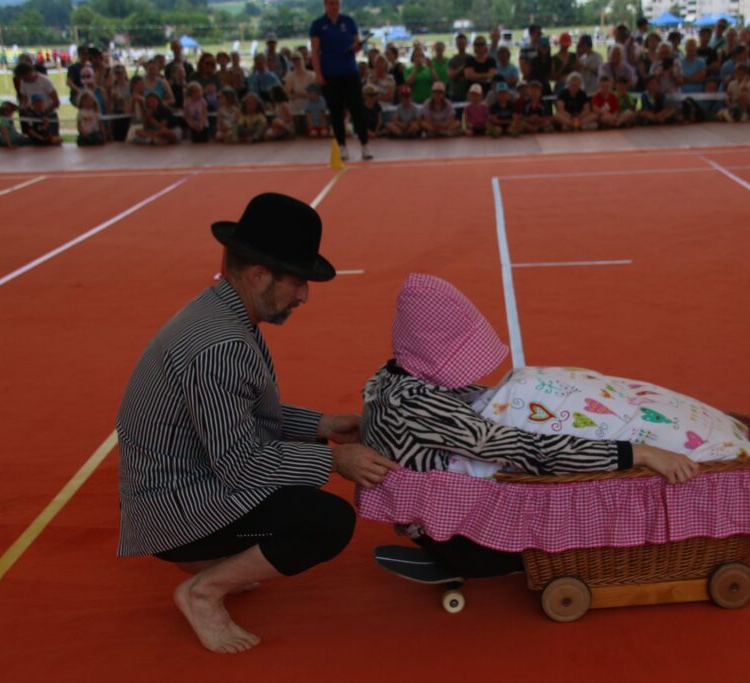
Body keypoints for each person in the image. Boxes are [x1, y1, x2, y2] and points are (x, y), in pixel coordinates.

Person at [118, 193, 398, 653]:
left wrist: (323, 425)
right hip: (174, 509)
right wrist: (335, 460)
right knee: (324, 522)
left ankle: (219, 560)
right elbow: (242, 465)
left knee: (298, 496)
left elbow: (241, 414)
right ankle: (203, 590)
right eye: (299, 281)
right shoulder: (220, 346)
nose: (305, 295)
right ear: (259, 274)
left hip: (183, 482)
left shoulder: (221, 312)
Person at [361, 274, 701, 482]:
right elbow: (527, 449)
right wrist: (635, 453)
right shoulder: (416, 406)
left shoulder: (392, 379)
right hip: (462, 528)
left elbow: (474, 398)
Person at [310, 0, 372, 160]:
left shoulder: (349, 21)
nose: (334, 6)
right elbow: (315, 51)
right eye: (331, 4)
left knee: (357, 109)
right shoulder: (318, 24)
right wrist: (318, 73)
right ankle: (341, 146)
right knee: (336, 111)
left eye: (337, 3)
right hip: (330, 74)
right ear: (325, 5)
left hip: (349, 72)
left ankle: (365, 144)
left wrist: (358, 46)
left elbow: (356, 45)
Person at [447, 33, 470, 106]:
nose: (461, 45)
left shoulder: (471, 58)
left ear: (466, 44)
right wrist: (463, 67)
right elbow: (451, 75)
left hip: (469, 93)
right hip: (456, 93)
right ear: (456, 45)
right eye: (459, 43)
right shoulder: (452, 60)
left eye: (462, 43)